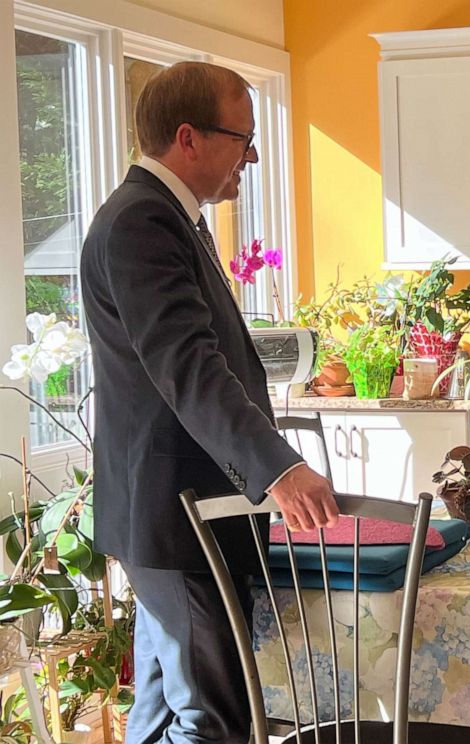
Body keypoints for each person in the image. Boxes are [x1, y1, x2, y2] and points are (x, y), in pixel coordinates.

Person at [80, 62, 339, 743]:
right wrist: (279, 469)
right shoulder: (143, 222)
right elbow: (188, 365)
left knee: (164, 712)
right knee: (212, 719)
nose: (251, 155)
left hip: (176, 514)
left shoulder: (168, 217)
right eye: (242, 138)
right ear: (188, 138)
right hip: (178, 515)